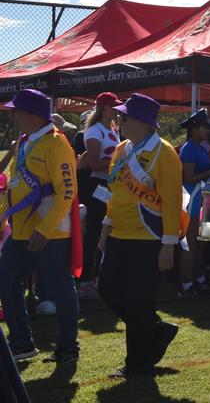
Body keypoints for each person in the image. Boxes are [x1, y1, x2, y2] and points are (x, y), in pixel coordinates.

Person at [97, 93, 183, 378]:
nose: (120, 121)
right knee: (107, 291)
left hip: (149, 237)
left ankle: (137, 364)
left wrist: (168, 244)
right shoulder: (122, 149)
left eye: (126, 117)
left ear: (145, 123)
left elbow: (171, 201)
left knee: (139, 301)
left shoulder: (165, 152)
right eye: (120, 116)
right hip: (119, 234)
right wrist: (105, 228)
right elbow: (115, 191)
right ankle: (156, 329)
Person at [0, 89, 80, 364]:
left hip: (51, 233)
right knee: (6, 280)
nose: (12, 116)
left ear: (32, 115)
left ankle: (68, 347)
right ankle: (22, 343)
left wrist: (45, 229)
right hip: (22, 231)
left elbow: (66, 192)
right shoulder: (25, 141)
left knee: (60, 287)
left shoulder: (57, 144)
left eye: (16, 111)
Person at [77, 91, 121, 295]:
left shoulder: (113, 130)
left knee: (109, 231)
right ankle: (86, 278)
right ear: (104, 108)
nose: (117, 109)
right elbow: (94, 163)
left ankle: (100, 275)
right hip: (97, 187)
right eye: (114, 106)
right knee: (95, 231)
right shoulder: (95, 130)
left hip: (111, 186)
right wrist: (120, 163)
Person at [177, 109, 210, 296]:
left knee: (199, 243)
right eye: (203, 126)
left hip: (202, 198)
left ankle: (199, 279)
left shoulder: (199, 147)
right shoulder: (189, 148)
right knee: (190, 243)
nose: (206, 130)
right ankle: (186, 284)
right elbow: (189, 177)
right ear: (193, 128)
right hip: (192, 199)